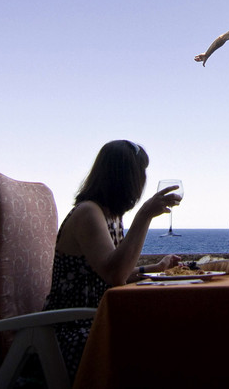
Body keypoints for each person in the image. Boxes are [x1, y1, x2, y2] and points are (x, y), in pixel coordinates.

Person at [43, 140, 183, 375]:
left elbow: (113, 271)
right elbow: (114, 275)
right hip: (75, 331)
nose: (143, 180)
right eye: (141, 172)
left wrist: (155, 268)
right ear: (126, 177)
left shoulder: (110, 216)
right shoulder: (88, 212)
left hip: (98, 321)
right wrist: (144, 215)